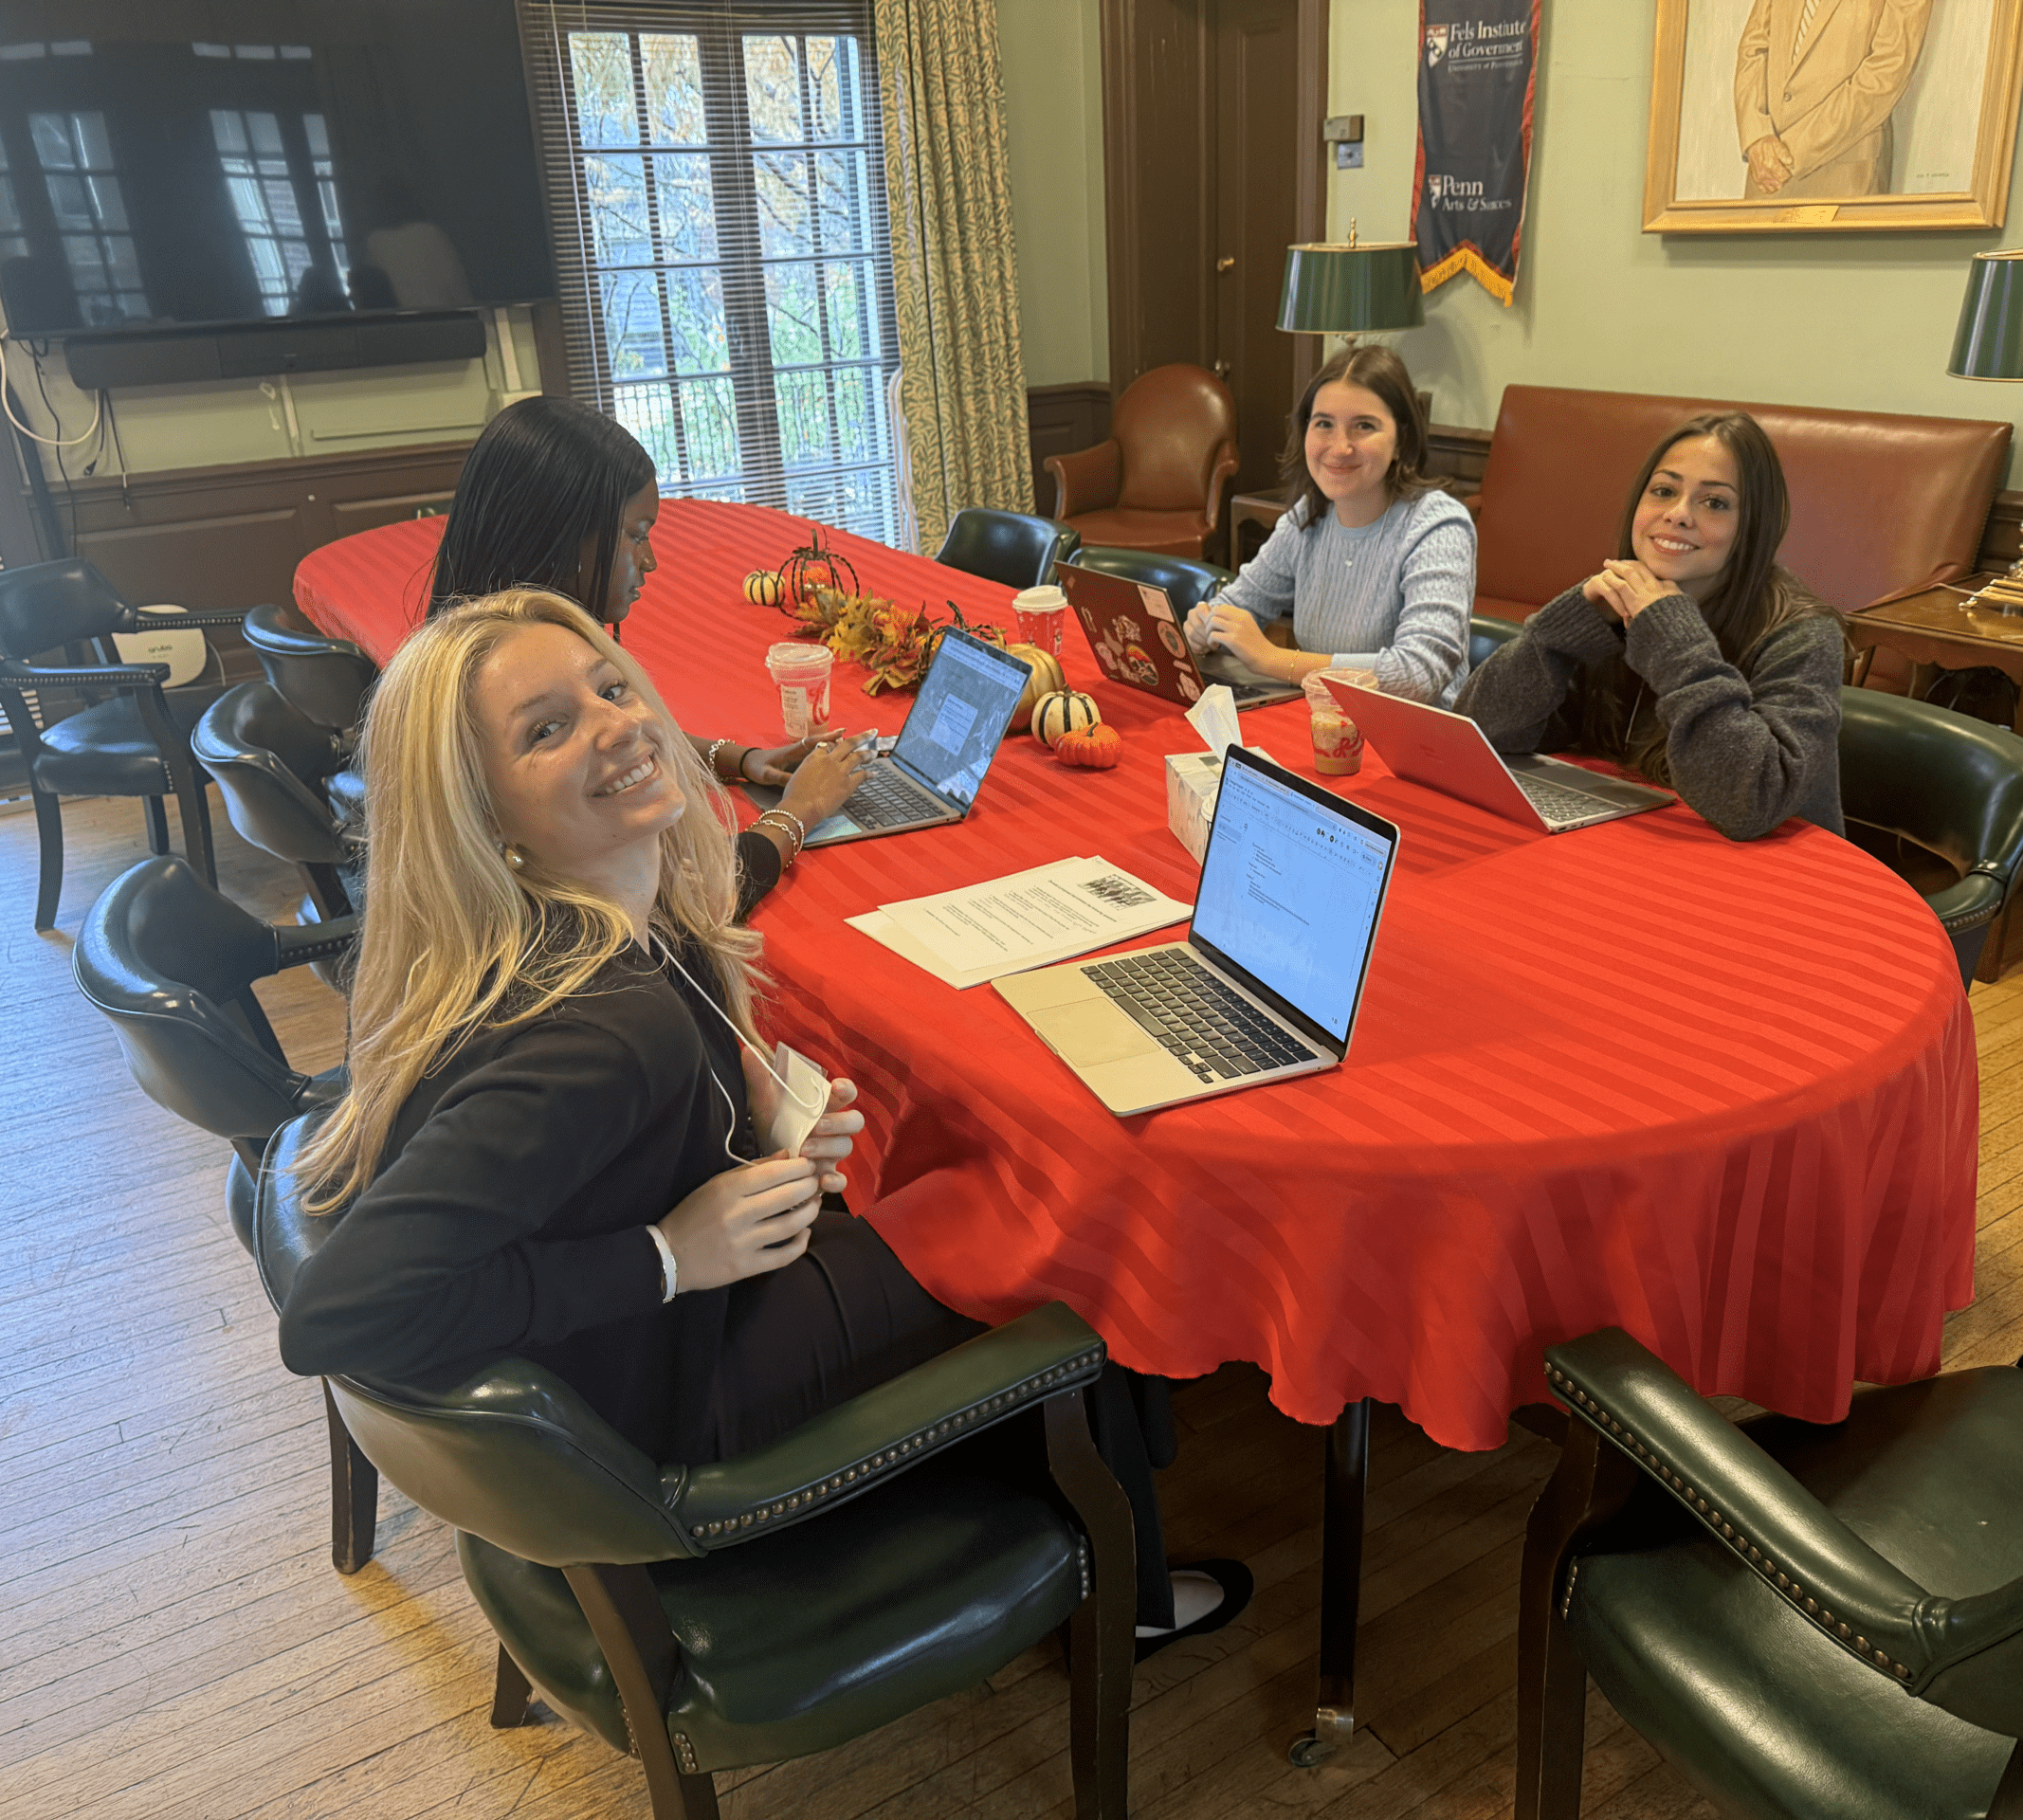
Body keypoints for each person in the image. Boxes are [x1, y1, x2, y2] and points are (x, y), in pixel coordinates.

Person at [276, 590, 1248, 1652]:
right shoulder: (600, 1034)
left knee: (964, 1191)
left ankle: (1061, 1462)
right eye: (546, 730)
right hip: (668, 1393)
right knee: (1060, 1214)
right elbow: (335, 1319)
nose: (618, 724)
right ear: (482, 813)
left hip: (642, 1339)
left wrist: (755, 1142)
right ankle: (1126, 1589)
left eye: (609, 686)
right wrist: (666, 1255)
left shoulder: (585, 935)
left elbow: (586, 1164)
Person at [428, 396, 869, 911]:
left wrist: (740, 759)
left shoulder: (472, 646)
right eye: (635, 536)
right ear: (562, 540)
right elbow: (691, 902)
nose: (651, 561)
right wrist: (801, 810)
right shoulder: (515, 676)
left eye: (612, 693)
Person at [1454, 410, 1845, 841]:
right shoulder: (1613, 603)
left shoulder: (1805, 633)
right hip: (1629, 844)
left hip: (1770, 875)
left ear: (1753, 526)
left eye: (1714, 502)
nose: (1678, 514)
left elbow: (1750, 804)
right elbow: (1482, 738)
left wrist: (1673, 639)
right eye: (1663, 491)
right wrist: (1557, 635)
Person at [1183, 346, 1475, 705]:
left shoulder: (1438, 525)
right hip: (1325, 726)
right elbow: (1238, 604)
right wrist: (1207, 626)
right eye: (1324, 423)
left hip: (1417, 747)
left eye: (1364, 426)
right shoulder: (1309, 515)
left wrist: (1275, 660)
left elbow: (1418, 673)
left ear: (1401, 440)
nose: (1340, 447)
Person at [1733, 0, 1933, 199]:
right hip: (1765, 174)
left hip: (1844, 178)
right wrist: (1757, 136)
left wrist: (1792, 151)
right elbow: (1754, 46)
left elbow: (1886, 75)